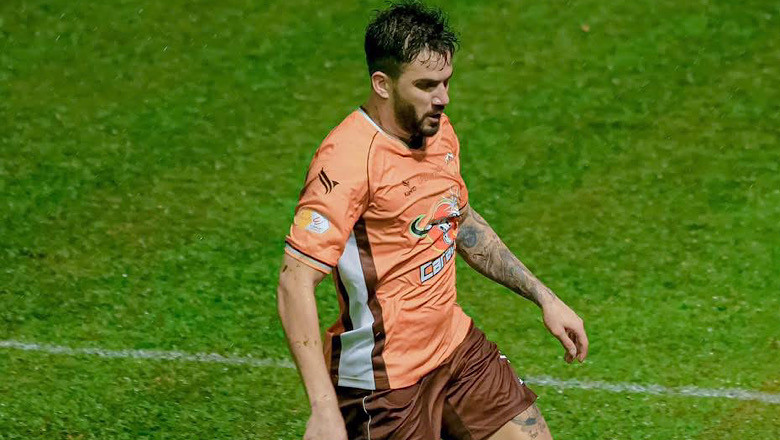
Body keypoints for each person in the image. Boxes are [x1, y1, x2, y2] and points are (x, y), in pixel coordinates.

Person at [276, 2, 588, 439]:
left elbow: (458, 220)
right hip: (385, 382)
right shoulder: (348, 162)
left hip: (455, 349)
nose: (442, 98)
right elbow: (294, 281)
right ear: (382, 84)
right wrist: (323, 408)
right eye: (425, 86)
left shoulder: (437, 129)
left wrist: (545, 298)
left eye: (446, 82)